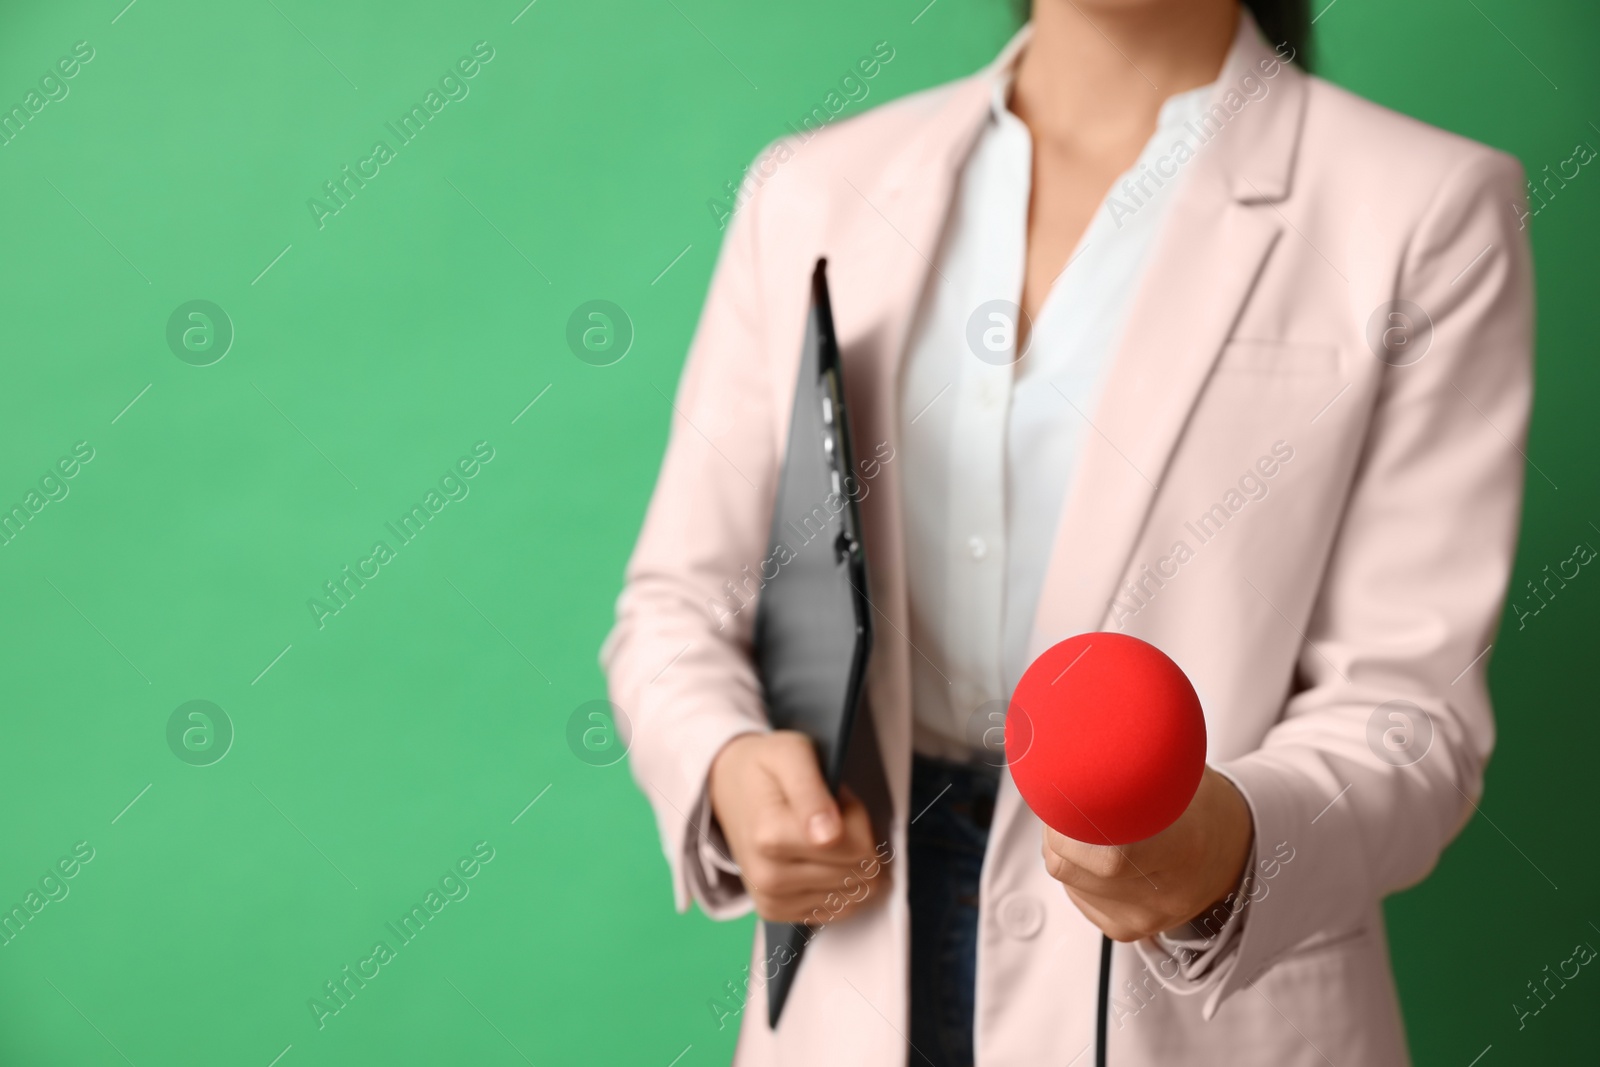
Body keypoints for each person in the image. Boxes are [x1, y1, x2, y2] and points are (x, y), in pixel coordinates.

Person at [602, 0, 1532, 1062]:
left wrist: (1227, 846)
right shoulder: (810, 189)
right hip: (857, 958)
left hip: (1197, 1002)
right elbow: (677, 602)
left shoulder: (1427, 207)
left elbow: (1409, 713)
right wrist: (722, 765)